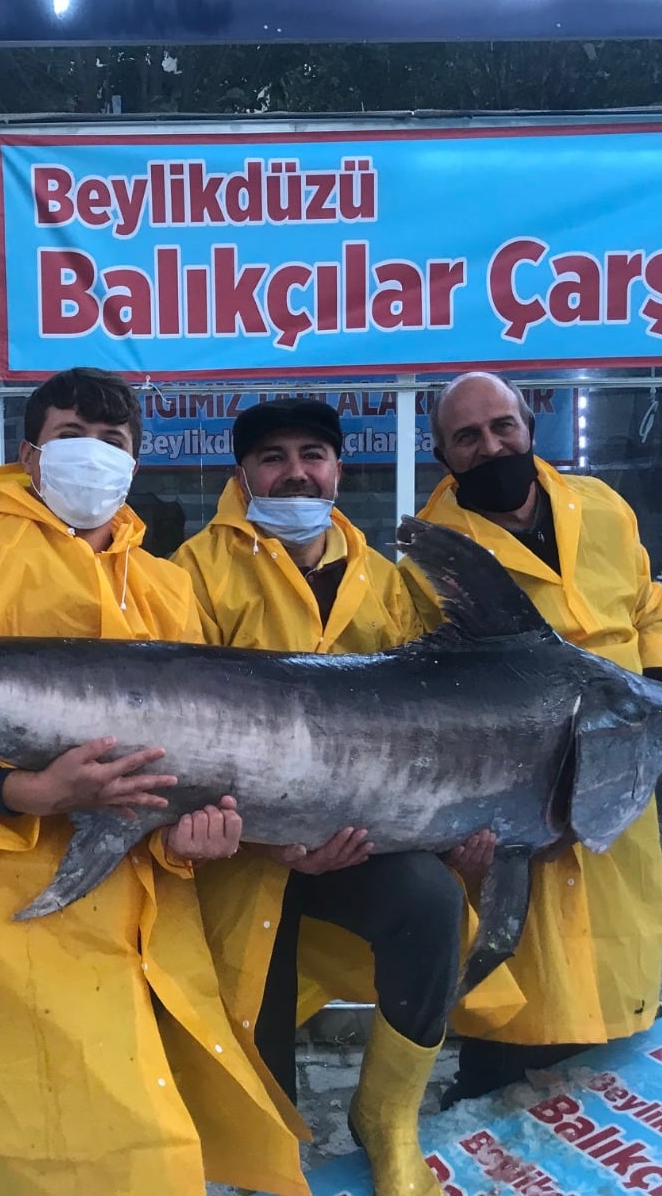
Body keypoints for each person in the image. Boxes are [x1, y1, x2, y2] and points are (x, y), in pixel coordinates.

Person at [0, 367, 306, 1196]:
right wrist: (26, 794)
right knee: (39, 1152)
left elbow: (198, 762)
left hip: (148, 921)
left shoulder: (168, 586)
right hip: (3, 919)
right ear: (29, 452)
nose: (94, 456)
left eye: (114, 442)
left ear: (137, 462)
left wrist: (191, 841)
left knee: (155, 1151)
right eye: (73, 436)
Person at [172, 398, 517, 1196]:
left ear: (337, 469)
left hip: (355, 842)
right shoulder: (190, 572)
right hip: (234, 848)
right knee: (259, 985)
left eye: (313, 455)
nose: (296, 471)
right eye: (273, 457)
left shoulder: (392, 582)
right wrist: (273, 838)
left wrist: (441, 826)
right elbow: (180, 729)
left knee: (431, 903)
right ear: (242, 474)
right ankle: (268, 1154)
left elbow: (427, 724)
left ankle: (387, 1120)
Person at [404, 371, 662, 1106]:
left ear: (531, 428)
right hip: (512, 797)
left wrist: (660, 691)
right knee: (514, 1015)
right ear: (442, 454)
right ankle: (488, 1113)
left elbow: (652, 603)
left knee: (614, 1008)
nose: (491, 444)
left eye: (503, 427)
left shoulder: (603, 508)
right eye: (468, 436)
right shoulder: (431, 557)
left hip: (617, 781)